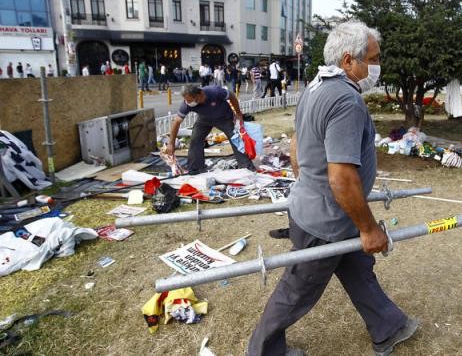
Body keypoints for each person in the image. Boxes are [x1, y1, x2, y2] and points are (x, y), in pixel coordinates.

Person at [247, 21, 418, 355]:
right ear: (347, 61)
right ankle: (262, 351)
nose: (377, 66)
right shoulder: (345, 101)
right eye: (372, 58)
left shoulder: (316, 87)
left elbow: (296, 146)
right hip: (326, 221)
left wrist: (307, 186)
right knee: (297, 289)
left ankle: (388, 326)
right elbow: (342, 178)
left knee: (356, 268)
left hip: (323, 211)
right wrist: (369, 229)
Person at [165, 84, 255, 173]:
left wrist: (238, 113)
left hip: (224, 117)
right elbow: (176, 122)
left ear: (199, 94)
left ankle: (246, 166)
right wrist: (171, 143)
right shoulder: (187, 104)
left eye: (191, 101)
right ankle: (196, 168)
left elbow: (231, 96)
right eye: (187, 101)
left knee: (235, 138)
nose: (189, 103)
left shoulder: (215, 92)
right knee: (195, 139)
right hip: (204, 119)